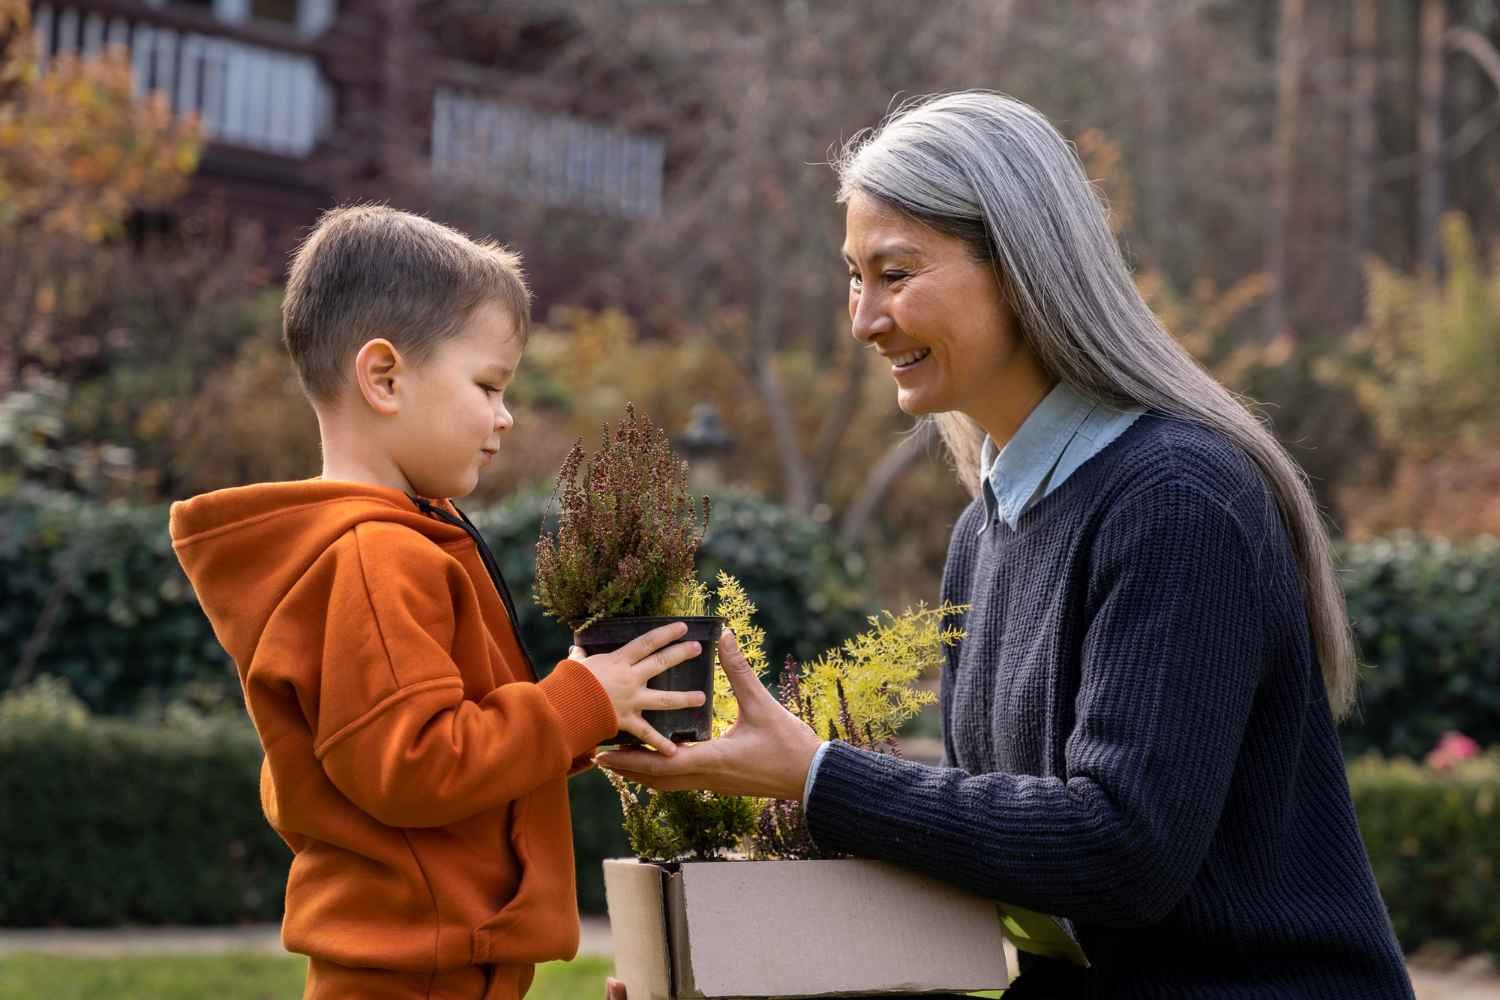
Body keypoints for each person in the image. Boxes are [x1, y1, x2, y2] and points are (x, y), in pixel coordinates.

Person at [599, 93, 1416, 999]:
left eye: (895, 273)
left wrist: (817, 775)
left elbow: (1121, 850)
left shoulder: (1178, 499)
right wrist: (728, 963)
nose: (864, 320)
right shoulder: (985, 530)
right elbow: (1022, 868)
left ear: (1022, 267)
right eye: (852, 276)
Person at [171, 205, 704, 1000]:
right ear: (383, 377)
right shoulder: (374, 556)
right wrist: (573, 703)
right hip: (413, 976)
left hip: (435, 964)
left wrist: (590, 715)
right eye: (488, 385)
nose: (505, 415)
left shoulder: (404, 537)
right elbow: (415, 763)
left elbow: (456, 747)